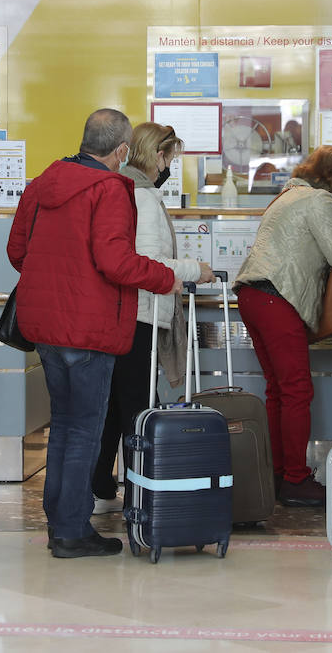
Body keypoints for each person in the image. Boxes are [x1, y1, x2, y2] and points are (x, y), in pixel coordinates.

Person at [6, 108, 182, 559]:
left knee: (64, 426)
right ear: (122, 151)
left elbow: (17, 251)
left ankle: (61, 523)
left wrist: (59, 285)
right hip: (91, 329)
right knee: (81, 430)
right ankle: (70, 531)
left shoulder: (43, 183)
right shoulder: (110, 190)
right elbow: (115, 261)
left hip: (45, 328)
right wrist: (167, 278)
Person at [233, 145, 332, 507]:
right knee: (296, 391)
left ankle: (279, 475)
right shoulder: (320, 201)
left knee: (279, 391)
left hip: (252, 296)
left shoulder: (288, 196)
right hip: (276, 298)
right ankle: (295, 479)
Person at [91, 123, 212, 514]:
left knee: (116, 404)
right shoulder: (141, 197)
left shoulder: (126, 189)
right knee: (139, 407)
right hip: (140, 316)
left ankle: (101, 481)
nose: (170, 167)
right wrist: (195, 269)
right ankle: (142, 493)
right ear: (154, 155)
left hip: (128, 315)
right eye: (169, 158)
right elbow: (146, 263)